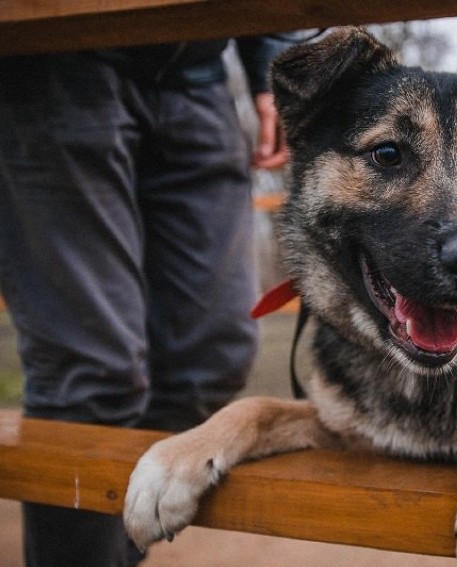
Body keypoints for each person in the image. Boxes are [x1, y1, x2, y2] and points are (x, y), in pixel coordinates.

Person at [0, 33, 300, 567]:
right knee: (91, 376)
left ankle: (101, 551)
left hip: (198, 72)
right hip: (55, 61)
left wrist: (268, 63)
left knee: (211, 356)